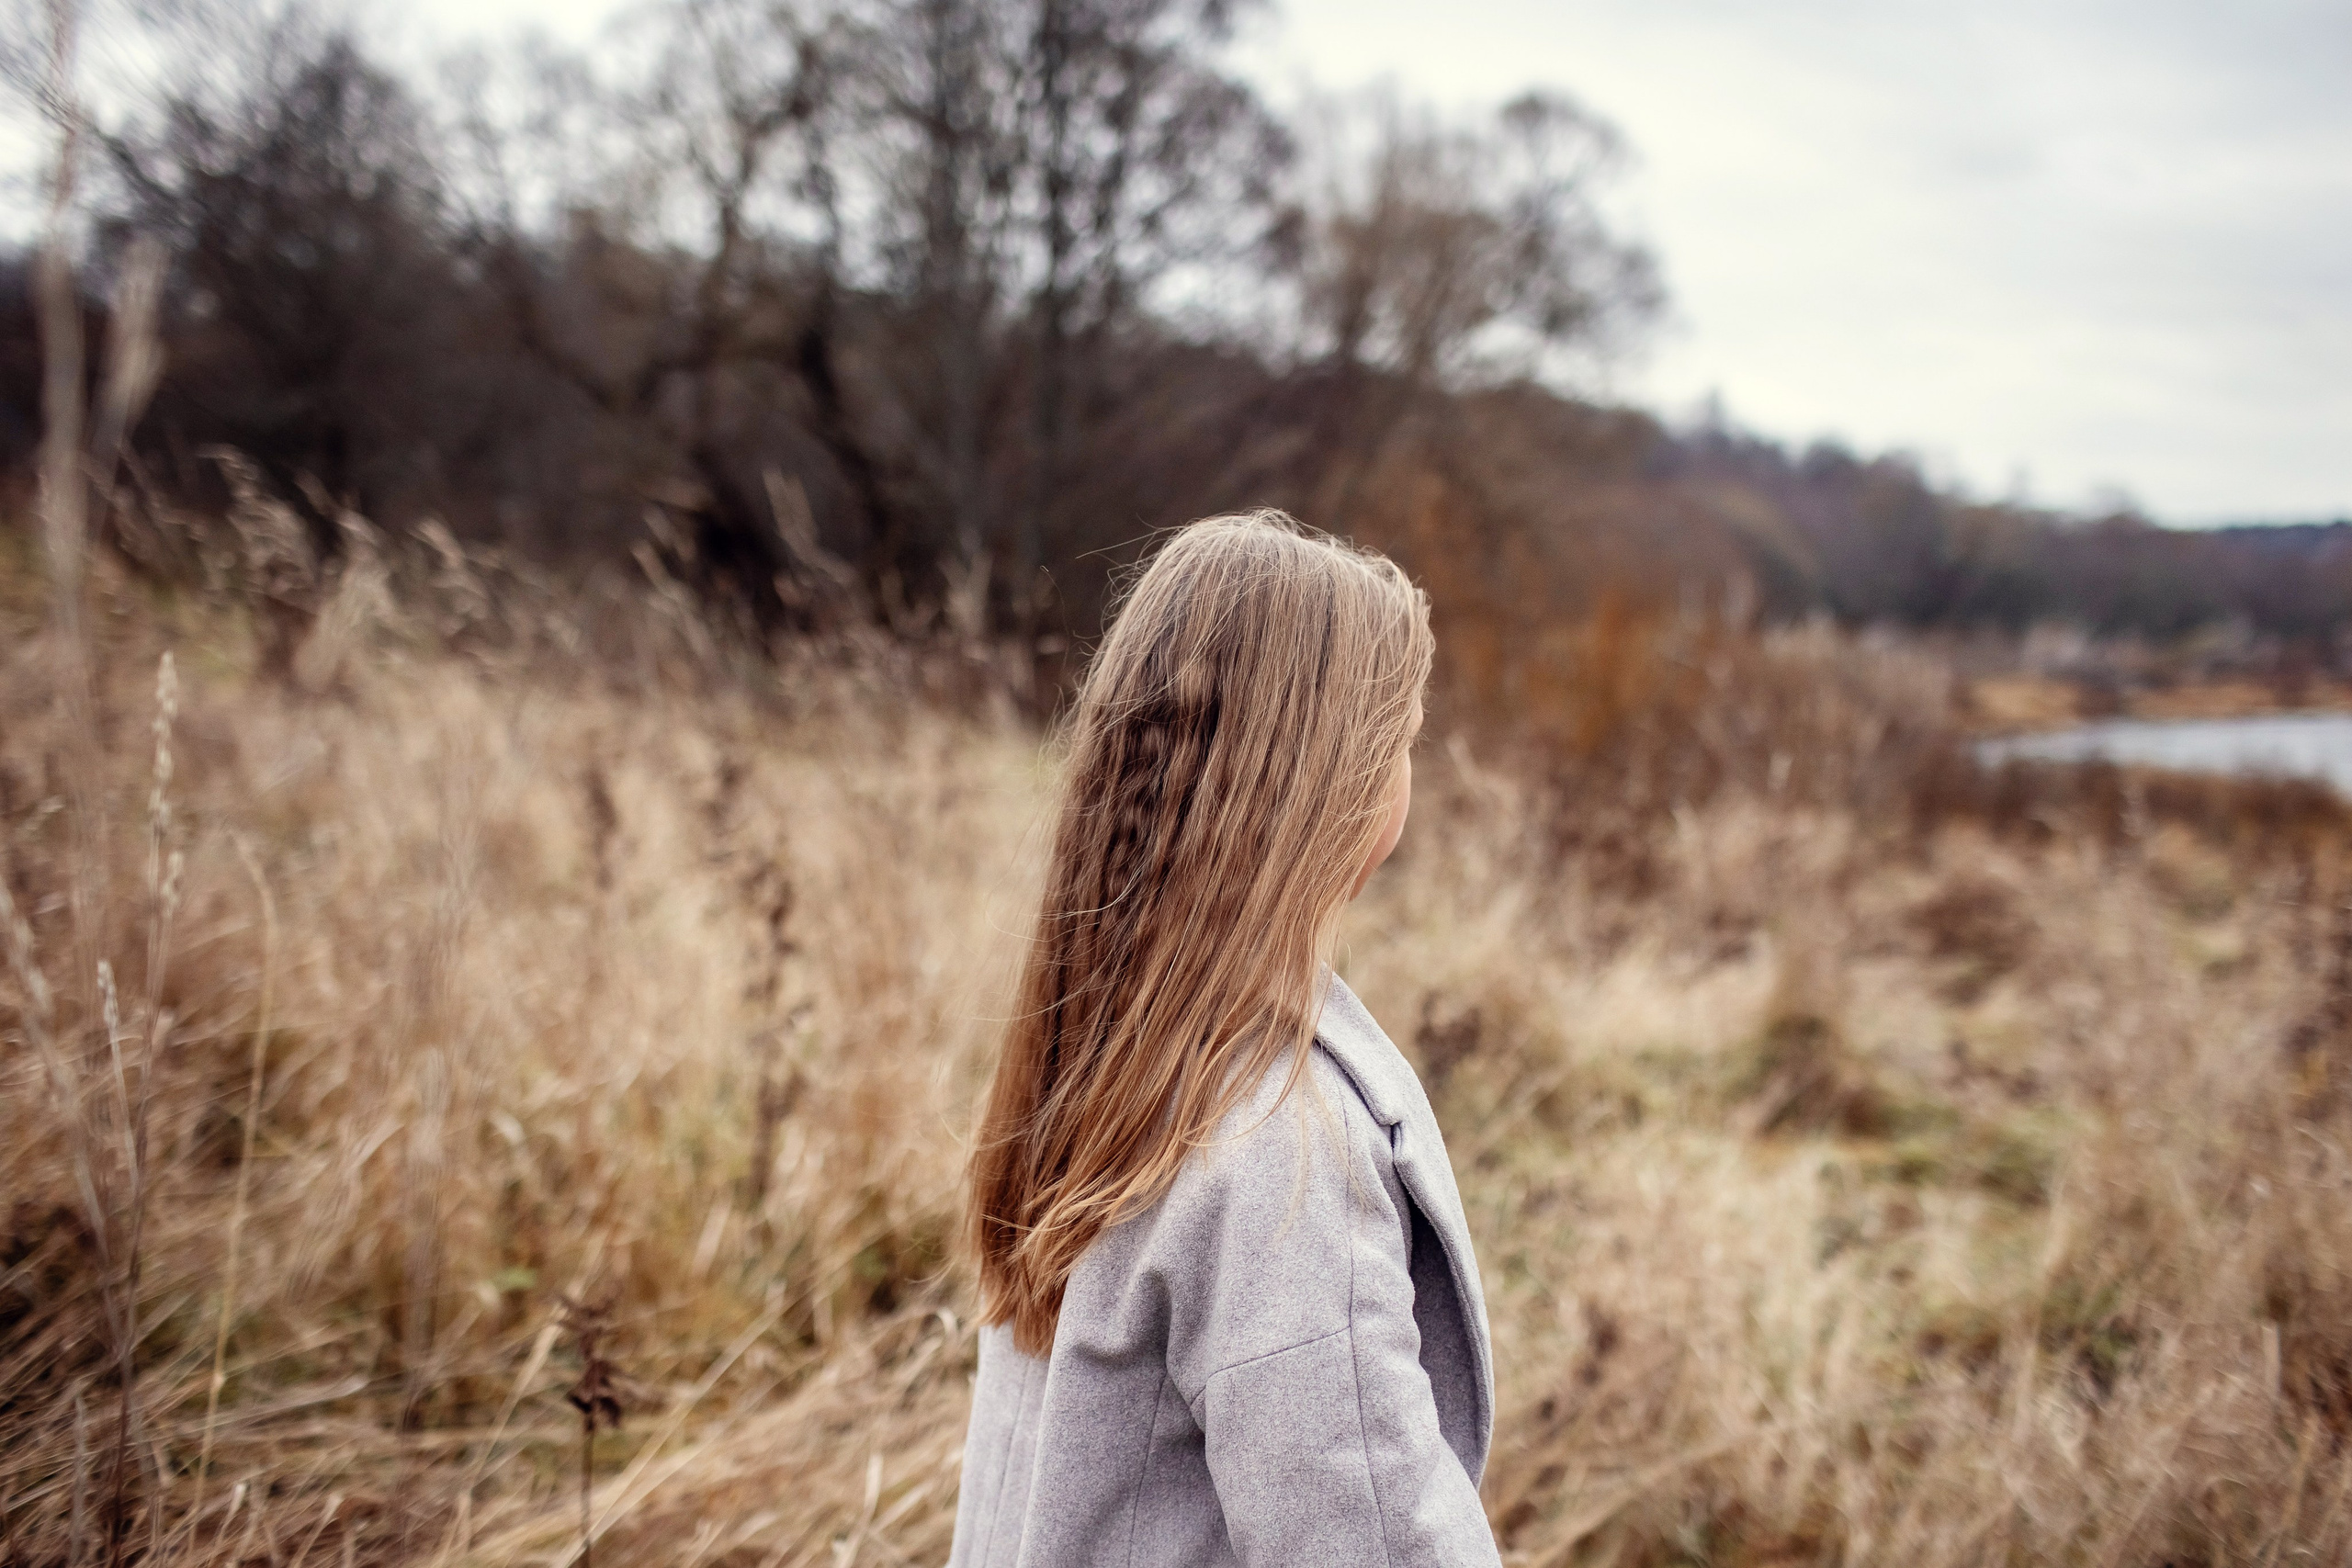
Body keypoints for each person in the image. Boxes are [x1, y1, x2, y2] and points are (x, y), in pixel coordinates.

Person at [949, 511, 1499, 1567]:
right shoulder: (1289, 1159)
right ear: (1340, 786)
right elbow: (1374, 1543)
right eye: (1403, 743)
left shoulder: (1100, 1053)